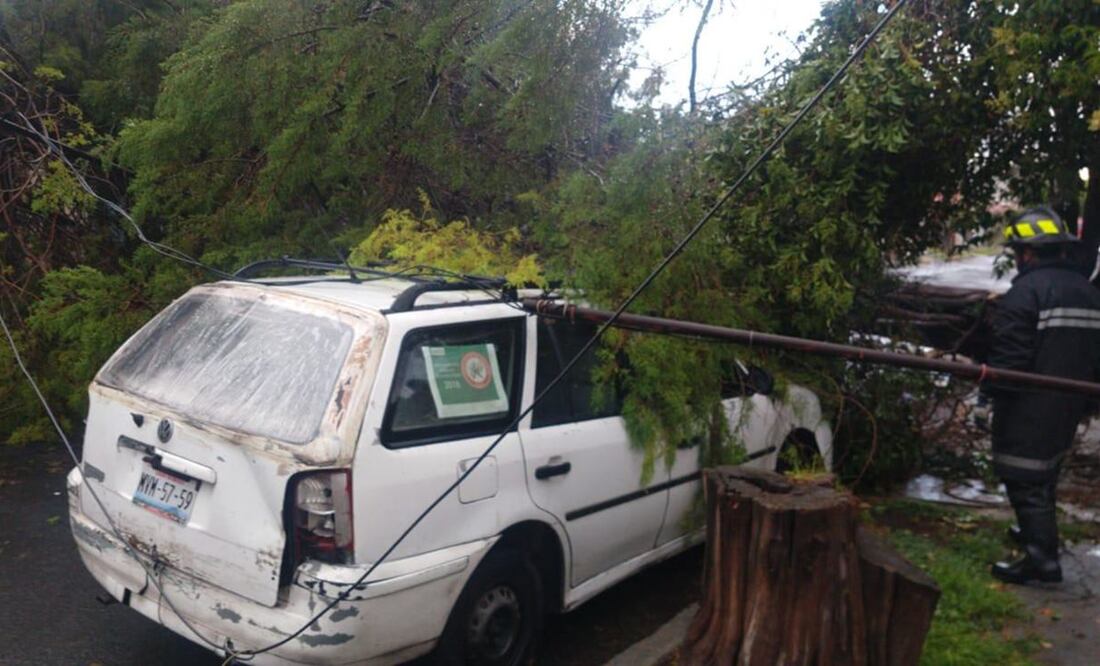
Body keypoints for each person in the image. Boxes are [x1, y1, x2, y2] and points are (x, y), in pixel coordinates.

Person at [985, 206, 1100, 584]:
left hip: (1028, 405)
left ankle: (1042, 560)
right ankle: (1037, 532)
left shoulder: (1026, 292)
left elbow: (1010, 358)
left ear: (1029, 253)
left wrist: (989, 395)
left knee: (1023, 474)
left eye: (1019, 252)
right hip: (1068, 402)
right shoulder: (1087, 291)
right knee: (1045, 471)